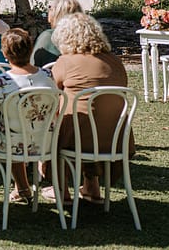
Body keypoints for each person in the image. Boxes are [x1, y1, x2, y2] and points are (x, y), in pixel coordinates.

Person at [47, 13, 134, 205]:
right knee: (90, 118)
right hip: (116, 136)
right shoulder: (114, 61)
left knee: (56, 126)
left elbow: (52, 93)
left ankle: (61, 190)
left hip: (80, 136)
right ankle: (91, 186)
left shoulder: (66, 61)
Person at [0, 28, 56, 203]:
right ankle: (22, 188)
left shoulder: (0, 82)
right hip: (44, 141)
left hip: (12, 142)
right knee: (13, 130)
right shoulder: (48, 75)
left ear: (4, 53)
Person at [32, 0, 82, 67]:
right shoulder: (83, 35)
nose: (48, 10)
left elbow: (33, 64)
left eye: (50, 8)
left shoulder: (48, 36)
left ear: (57, 14)